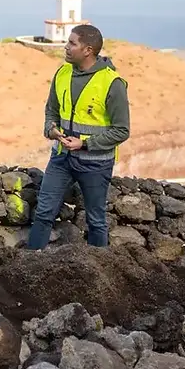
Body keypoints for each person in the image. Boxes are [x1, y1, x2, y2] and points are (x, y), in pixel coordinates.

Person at [26, 24, 131, 250]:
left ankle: (100, 273)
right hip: (61, 159)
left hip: (95, 164)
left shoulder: (112, 83)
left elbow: (122, 130)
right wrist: (50, 129)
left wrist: (85, 143)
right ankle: (29, 264)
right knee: (44, 213)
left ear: (88, 50)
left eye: (72, 43)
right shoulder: (62, 73)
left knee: (96, 221)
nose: (66, 46)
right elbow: (51, 111)